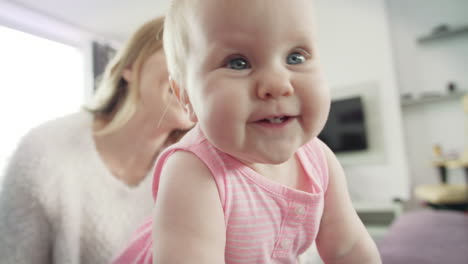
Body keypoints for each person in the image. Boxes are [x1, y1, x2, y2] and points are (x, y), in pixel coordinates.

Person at [113, 0, 382, 263]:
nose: (277, 84)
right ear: (186, 97)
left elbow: (348, 248)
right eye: (238, 63)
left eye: (295, 57)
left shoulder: (319, 161)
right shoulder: (193, 171)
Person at [0, 16, 192, 264]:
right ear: (130, 67)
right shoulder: (42, 152)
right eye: (180, 54)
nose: (195, 74)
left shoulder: (195, 166)